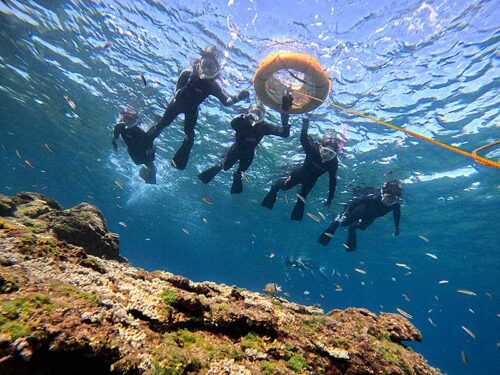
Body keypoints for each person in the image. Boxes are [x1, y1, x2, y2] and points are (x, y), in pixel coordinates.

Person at [147, 45, 250, 170]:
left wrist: (238, 97)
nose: (206, 70)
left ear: (215, 70)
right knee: (162, 123)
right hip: (177, 104)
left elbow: (226, 101)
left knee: (190, 136)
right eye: (205, 64)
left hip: (192, 109)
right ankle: (146, 143)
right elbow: (177, 94)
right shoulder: (187, 74)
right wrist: (190, 82)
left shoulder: (213, 86)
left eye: (210, 67)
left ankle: (178, 162)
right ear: (199, 62)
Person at [197, 94, 293, 194]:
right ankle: (212, 172)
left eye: (259, 113)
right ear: (249, 112)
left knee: (240, 172)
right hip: (236, 149)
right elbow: (233, 124)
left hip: (249, 154)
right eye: (254, 112)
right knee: (224, 166)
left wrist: (285, 119)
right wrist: (243, 117)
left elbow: (284, 134)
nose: (256, 115)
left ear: (263, 115)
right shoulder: (243, 121)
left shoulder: (264, 126)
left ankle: (236, 175)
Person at [261, 115, 339, 221]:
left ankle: (293, 219)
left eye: (331, 154)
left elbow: (332, 181)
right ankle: (274, 189)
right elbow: (303, 138)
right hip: (299, 174)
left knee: (302, 198)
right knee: (282, 187)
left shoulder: (333, 163)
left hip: (310, 181)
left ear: (335, 155)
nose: (326, 156)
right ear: (320, 147)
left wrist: (330, 198)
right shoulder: (312, 150)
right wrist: (305, 123)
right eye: (325, 151)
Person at [317, 180, 402, 250]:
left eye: (394, 199)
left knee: (361, 227)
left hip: (371, 216)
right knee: (342, 223)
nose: (390, 201)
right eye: (389, 197)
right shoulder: (373, 198)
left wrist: (396, 228)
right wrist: (345, 214)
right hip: (360, 210)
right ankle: (336, 222)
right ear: (383, 194)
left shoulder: (395, 205)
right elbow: (355, 202)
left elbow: (397, 215)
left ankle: (352, 228)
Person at [112, 108, 157, 184]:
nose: (127, 120)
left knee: (152, 169)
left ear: (135, 120)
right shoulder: (119, 127)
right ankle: (147, 172)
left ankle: (149, 177)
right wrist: (114, 143)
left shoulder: (140, 131)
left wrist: (151, 151)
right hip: (133, 151)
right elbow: (115, 137)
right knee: (146, 165)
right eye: (124, 117)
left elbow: (151, 142)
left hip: (144, 152)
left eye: (129, 118)